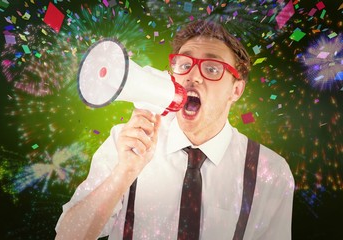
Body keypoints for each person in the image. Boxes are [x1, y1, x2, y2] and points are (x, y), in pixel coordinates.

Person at [55, 19, 295, 240]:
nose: (193, 76)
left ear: (236, 90)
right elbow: (67, 236)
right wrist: (123, 174)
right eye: (184, 64)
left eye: (212, 68)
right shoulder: (125, 142)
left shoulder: (270, 171)